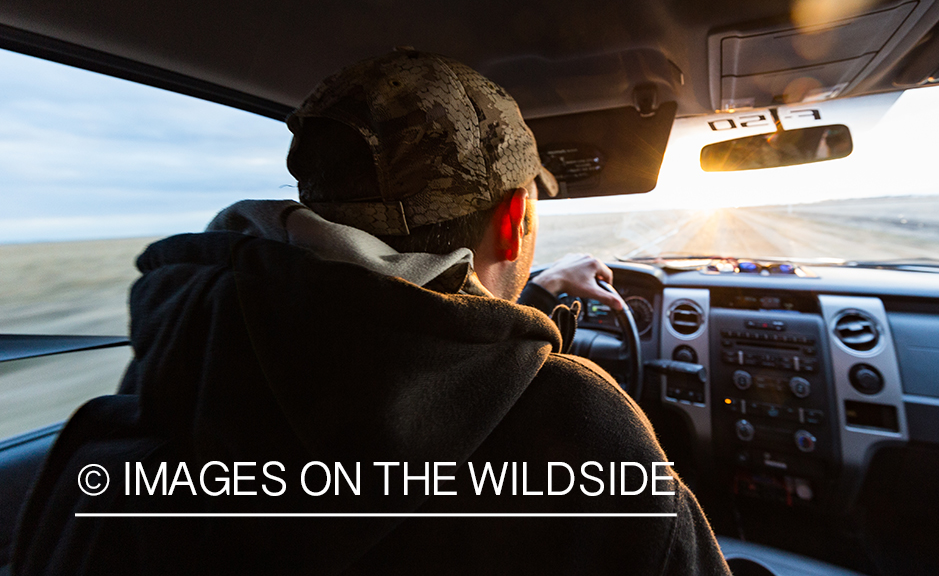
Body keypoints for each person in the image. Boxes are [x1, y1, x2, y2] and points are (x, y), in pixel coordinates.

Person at [13, 49, 730, 575]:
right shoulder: (580, 429)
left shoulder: (178, 366)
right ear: (512, 220)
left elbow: (391, 339)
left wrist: (537, 295)